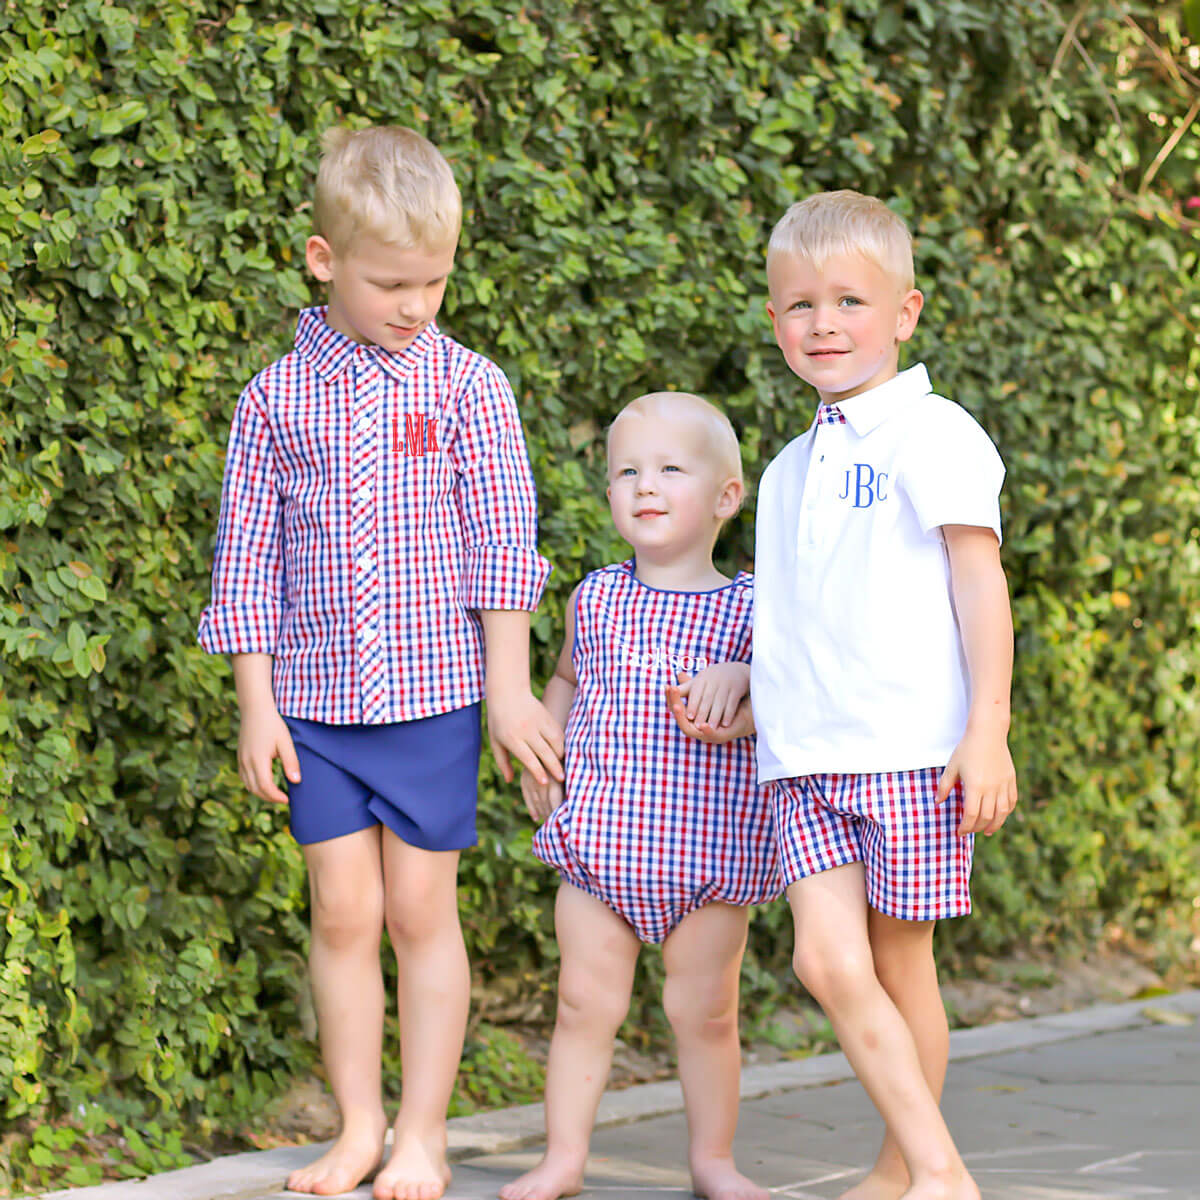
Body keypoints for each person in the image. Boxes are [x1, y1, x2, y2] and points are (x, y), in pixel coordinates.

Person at [197, 125, 563, 1200]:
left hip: (434, 704)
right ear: (323, 261)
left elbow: (503, 549)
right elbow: (246, 565)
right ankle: (357, 1126)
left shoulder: (469, 389)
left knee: (418, 916)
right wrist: (254, 709)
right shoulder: (272, 402)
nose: (416, 304)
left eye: (435, 282)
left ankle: (423, 1135)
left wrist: (506, 691)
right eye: (391, 281)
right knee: (344, 917)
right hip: (313, 708)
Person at [673, 190, 1017, 1200]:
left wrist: (987, 726)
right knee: (827, 961)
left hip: (909, 748)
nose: (822, 325)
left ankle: (902, 1172)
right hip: (801, 757)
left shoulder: (934, 435)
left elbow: (978, 581)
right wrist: (746, 670)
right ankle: (944, 1172)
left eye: (849, 302)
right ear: (774, 318)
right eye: (798, 306)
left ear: (905, 313)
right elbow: (794, 609)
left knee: (902, 972)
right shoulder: (784, 470)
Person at [501, 392, 780, 1200]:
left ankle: (713, 1161)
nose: (644, 486)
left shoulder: (752, 610)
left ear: (727, 497)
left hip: (708, 853)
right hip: (600, 845)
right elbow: (563, 679)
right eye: (627, 471)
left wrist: (753, 680)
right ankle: (563, 1157)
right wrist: (539, 754)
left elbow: (788, 706)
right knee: (583, 1004)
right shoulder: (596, 596)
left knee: (707, 1015)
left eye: (668, 469)